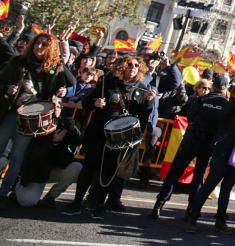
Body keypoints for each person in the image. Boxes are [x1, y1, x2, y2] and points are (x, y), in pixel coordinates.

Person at [65, 54, 152, 218]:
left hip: (119, 139)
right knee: (89, 168)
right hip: (98, 132)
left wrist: (148, 103)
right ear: (121, 66)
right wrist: (95, 103)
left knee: (109, 172)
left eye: (136, 65)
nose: (132, 68)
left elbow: (142, 118)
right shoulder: (107, 82)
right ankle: (77, 202)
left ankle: (99, 205)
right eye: (129, 64)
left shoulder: (141, 89)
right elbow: (85, 103)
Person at [0, 31, 76, 205]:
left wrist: (64, 91)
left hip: (31, 119)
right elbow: (1, 80)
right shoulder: (18, 61)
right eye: (37, 43)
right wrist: (7, 88)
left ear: (51, 49)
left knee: (17, 157)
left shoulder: (56, 67)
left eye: (43, 44)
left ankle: (3, 193)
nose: (38, 46)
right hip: (12, 112)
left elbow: (72, 85)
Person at [182, 73, 235, 233]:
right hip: (224, 151)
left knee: (227, 188)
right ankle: (192, 216)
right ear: (234, 94)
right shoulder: (229, 106)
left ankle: (220, 220)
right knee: (209, 184)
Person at [14, 115, 82, 207]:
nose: (56, 108)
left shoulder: (63, 124)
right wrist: (54, 142)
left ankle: (50, 197)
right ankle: (16, 187)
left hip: (51, 170)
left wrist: (72, 127)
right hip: (36, 172)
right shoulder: (37, 125)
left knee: (77, 167)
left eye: (59, 105)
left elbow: (79, 140)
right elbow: (34, 154)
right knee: (27, 201)